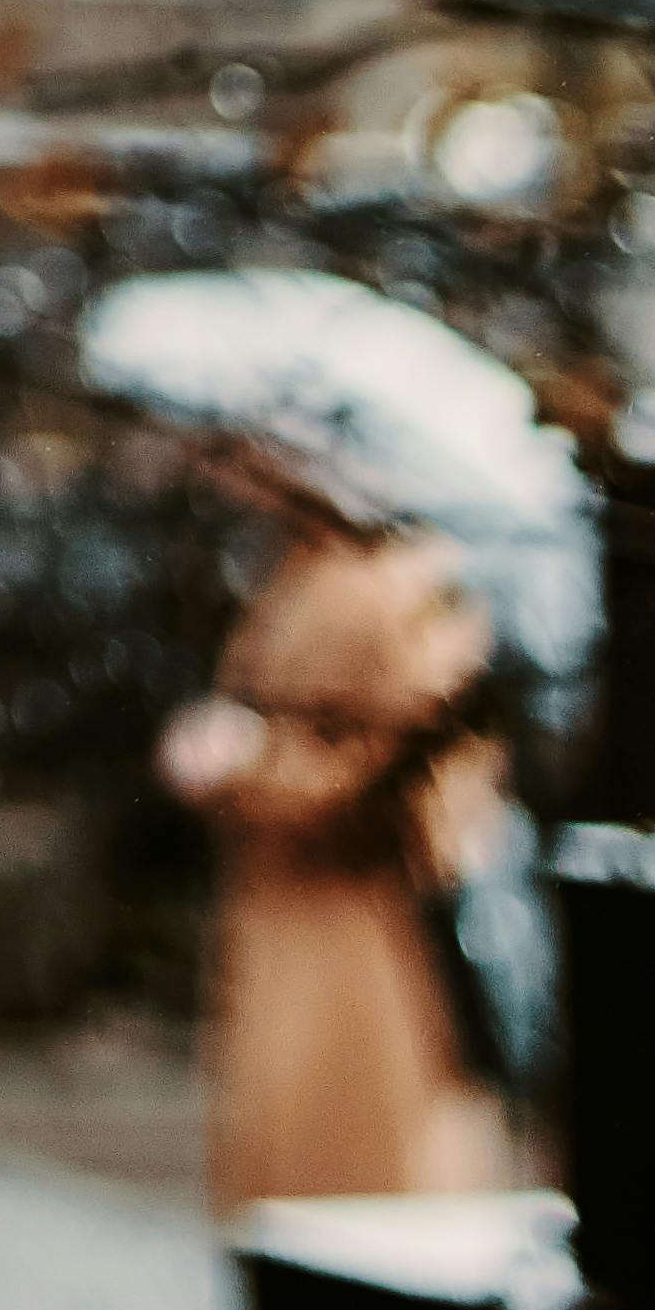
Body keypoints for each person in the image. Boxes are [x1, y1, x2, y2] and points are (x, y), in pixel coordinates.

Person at [158, 476, 518, 1212]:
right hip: (280, 909)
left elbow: (391, 765)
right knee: (281, 1138)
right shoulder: (302, 573)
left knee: (341, 1142)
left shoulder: (388, 591)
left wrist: (247, 764)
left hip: (345, 921)